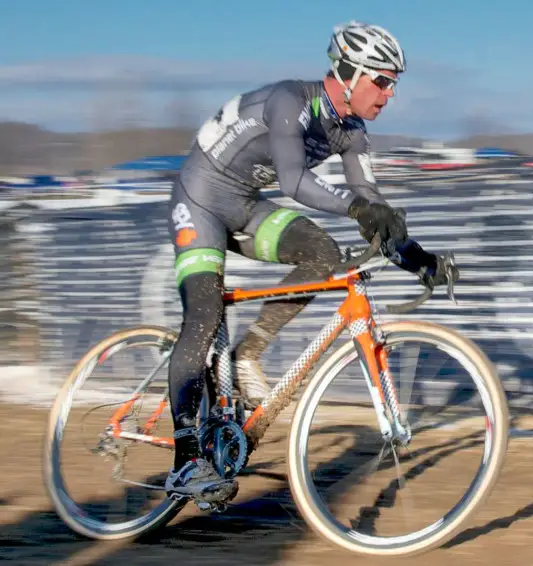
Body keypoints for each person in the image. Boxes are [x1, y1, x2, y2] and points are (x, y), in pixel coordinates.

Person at [164, 20, 458, 504]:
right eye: (382, 81)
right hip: (199, 199)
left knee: (321, 253)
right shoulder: (290, 102)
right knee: (203, 315)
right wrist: (359, 208)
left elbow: (372, 209)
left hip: (242, 203)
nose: (389, 94)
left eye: (394, 84)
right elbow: (293, 182)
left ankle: (246, 354)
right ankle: (186, 460)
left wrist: (418, 259)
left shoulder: (353, 133)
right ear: (349, 72)